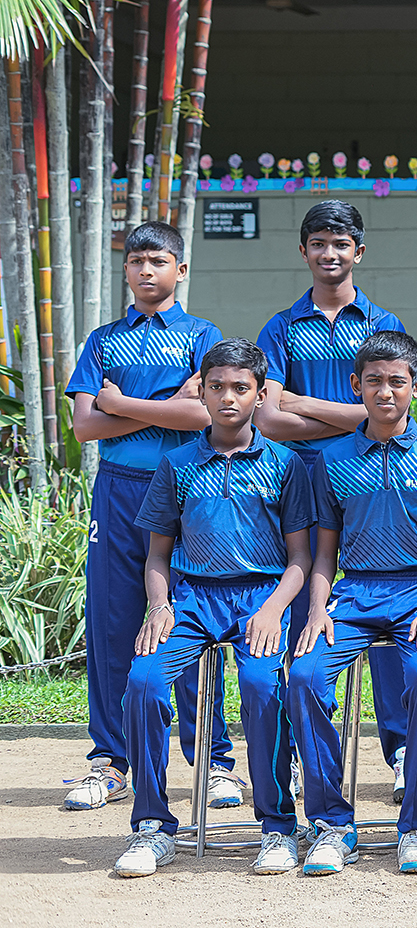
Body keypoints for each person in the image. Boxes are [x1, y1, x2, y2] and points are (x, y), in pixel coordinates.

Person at [112, 339, 313, 877]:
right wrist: (159, 606)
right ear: (200, 390)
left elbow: (301, 558)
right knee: (144, 682)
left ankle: (277, 827)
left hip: (262, 598)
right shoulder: (178, 463)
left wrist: (273, 609)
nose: (228, 398)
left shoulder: (286, 464)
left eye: (240, 388)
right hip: (193, 597)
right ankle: (152, 826)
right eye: (217, 386)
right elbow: (157, 555)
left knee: (262, 686)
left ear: (260, 394)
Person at [64, 221, 233, 812]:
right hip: (118, 490)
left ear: (180, 271)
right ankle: (111, 761)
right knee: (114, 625)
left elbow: (203, 419)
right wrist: (163, 406)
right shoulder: (103, 339)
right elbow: (85, 426)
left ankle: (211, 759)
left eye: (157, 261)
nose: (144, 270)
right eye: (135, 261)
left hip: (187, 488)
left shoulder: (202, 335)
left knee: (190, 618)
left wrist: (118, 403)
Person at [285, 331, 417, 876]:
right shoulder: (330, 460)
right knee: (304, 676)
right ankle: (332, 824)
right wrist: (317, 611)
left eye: (398, 382)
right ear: (355, 385)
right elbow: (323, 554)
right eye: (375, 381)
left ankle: (415, 827)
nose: (386, 392)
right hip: (355, 592)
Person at [255, 200, 412, 799]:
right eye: (318, 243)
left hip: (377, 475)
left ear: (359, 251)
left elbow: (394, 410)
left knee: (390, 590)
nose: (330, 254)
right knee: (305, 603)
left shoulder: (381, 323)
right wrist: (353, 418)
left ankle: (400, 751)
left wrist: (306, 405)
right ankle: (295, 751)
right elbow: (269, 419)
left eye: (340, 243)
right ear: (304, 252)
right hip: (296, 480)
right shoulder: (282, 327)